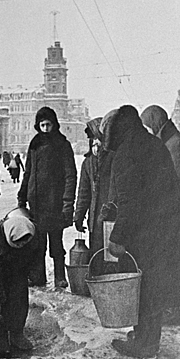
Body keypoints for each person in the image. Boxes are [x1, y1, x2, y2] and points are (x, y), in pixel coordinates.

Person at [101, 105, 180, 359]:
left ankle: (144, 344)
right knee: (153, 287)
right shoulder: (153, 144)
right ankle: (146, 335)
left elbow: (130, 201)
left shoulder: (125, 153)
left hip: (146, 231)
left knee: (143, 286)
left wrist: (118, 237)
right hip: (164, 227)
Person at [140, 104, 180, 327]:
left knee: (172, 263)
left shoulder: (176, 145)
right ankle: (170, 308)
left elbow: (175, 182)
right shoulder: (169, 140)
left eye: (149, 124)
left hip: (174, 213)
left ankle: (173, 311)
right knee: (168, 262)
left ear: (156, 121)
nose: (148, 130)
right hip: (170, 211)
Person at [17, 106, 77, 288]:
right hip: (36, 204)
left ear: (54, 124)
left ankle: (60, 276)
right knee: (37, 244)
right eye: (42, 125)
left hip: (55, 204)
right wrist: (22, 195)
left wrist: (67, 204)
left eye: (48, 125)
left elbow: (70, 175)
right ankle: (38, 277)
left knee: (56, 244)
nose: (45, 129)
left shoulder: (62, 144)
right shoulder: (34, 144)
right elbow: (28, 172)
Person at [0, 209, 38, 356]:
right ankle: (1, 335)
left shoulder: (33, 233)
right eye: (18, 243)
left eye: (24, 242)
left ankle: (17, 333)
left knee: (19, 298)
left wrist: (32, 272)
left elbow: (37, 254)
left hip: (18, 267)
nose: (21, 245)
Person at [73, 117, 114, 273]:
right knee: (96, 254)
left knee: (112, 254)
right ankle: (97, 285)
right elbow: (83, 192)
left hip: (111, 217)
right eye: (92, 141)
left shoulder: (113, 159)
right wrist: (79, 216)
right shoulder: (88, 163)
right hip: (94, 219)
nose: (95, 146)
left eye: (99, 141)